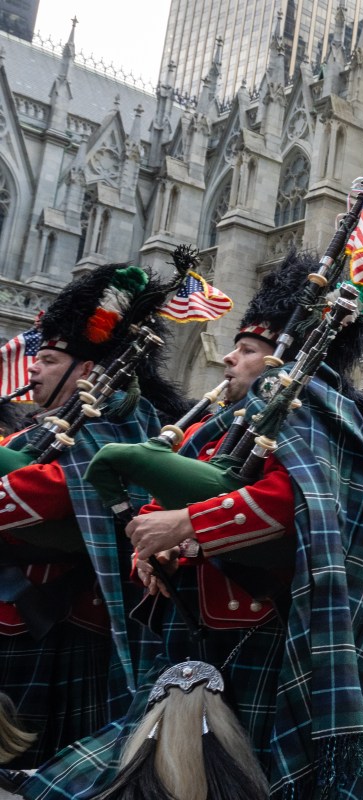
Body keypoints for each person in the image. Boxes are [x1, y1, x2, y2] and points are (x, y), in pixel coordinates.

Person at [19, 252, 363, 800]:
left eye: (246, 349)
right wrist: (154, 543)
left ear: (281, 357)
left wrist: (188, 523)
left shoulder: (310, 406)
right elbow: (182, 486)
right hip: (194, 638)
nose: (228, 356)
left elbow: (299, 503)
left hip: (267, 640)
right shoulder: (226, 424)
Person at [0, 264, 187, 774]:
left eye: (48, 359)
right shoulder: (39, 429)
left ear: (85, 371)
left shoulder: (118, 425)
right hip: (19, 621)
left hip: (61, 625)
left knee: (40, 770)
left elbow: (57, 492)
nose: (32, 370)